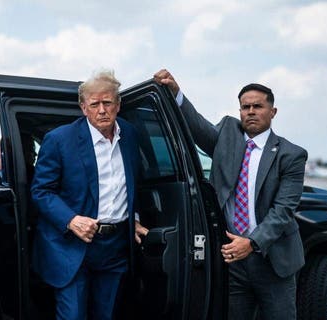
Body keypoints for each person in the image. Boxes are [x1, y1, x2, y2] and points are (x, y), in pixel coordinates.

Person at [154, 69, 307, 320]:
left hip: (273, 261)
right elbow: (197, 127)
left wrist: (252, 243)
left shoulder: (291, 154)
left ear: (273, 112)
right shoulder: (227, 134)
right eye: (245, 107)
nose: (250, 111)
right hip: (231, 260)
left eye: (257, 106)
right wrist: (176, 93)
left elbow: (283, 211)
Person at [30, 70, 149, 320]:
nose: (102, 110)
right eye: (95, 104)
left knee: (107, 315)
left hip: (116, 246)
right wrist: (72, 220)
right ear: (84, 108)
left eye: (107, 102)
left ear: (118, 104)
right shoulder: (60, 140)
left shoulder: (129, 135)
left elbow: (132, 182)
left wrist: (134, 217)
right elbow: (41, 191)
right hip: (72, 247)